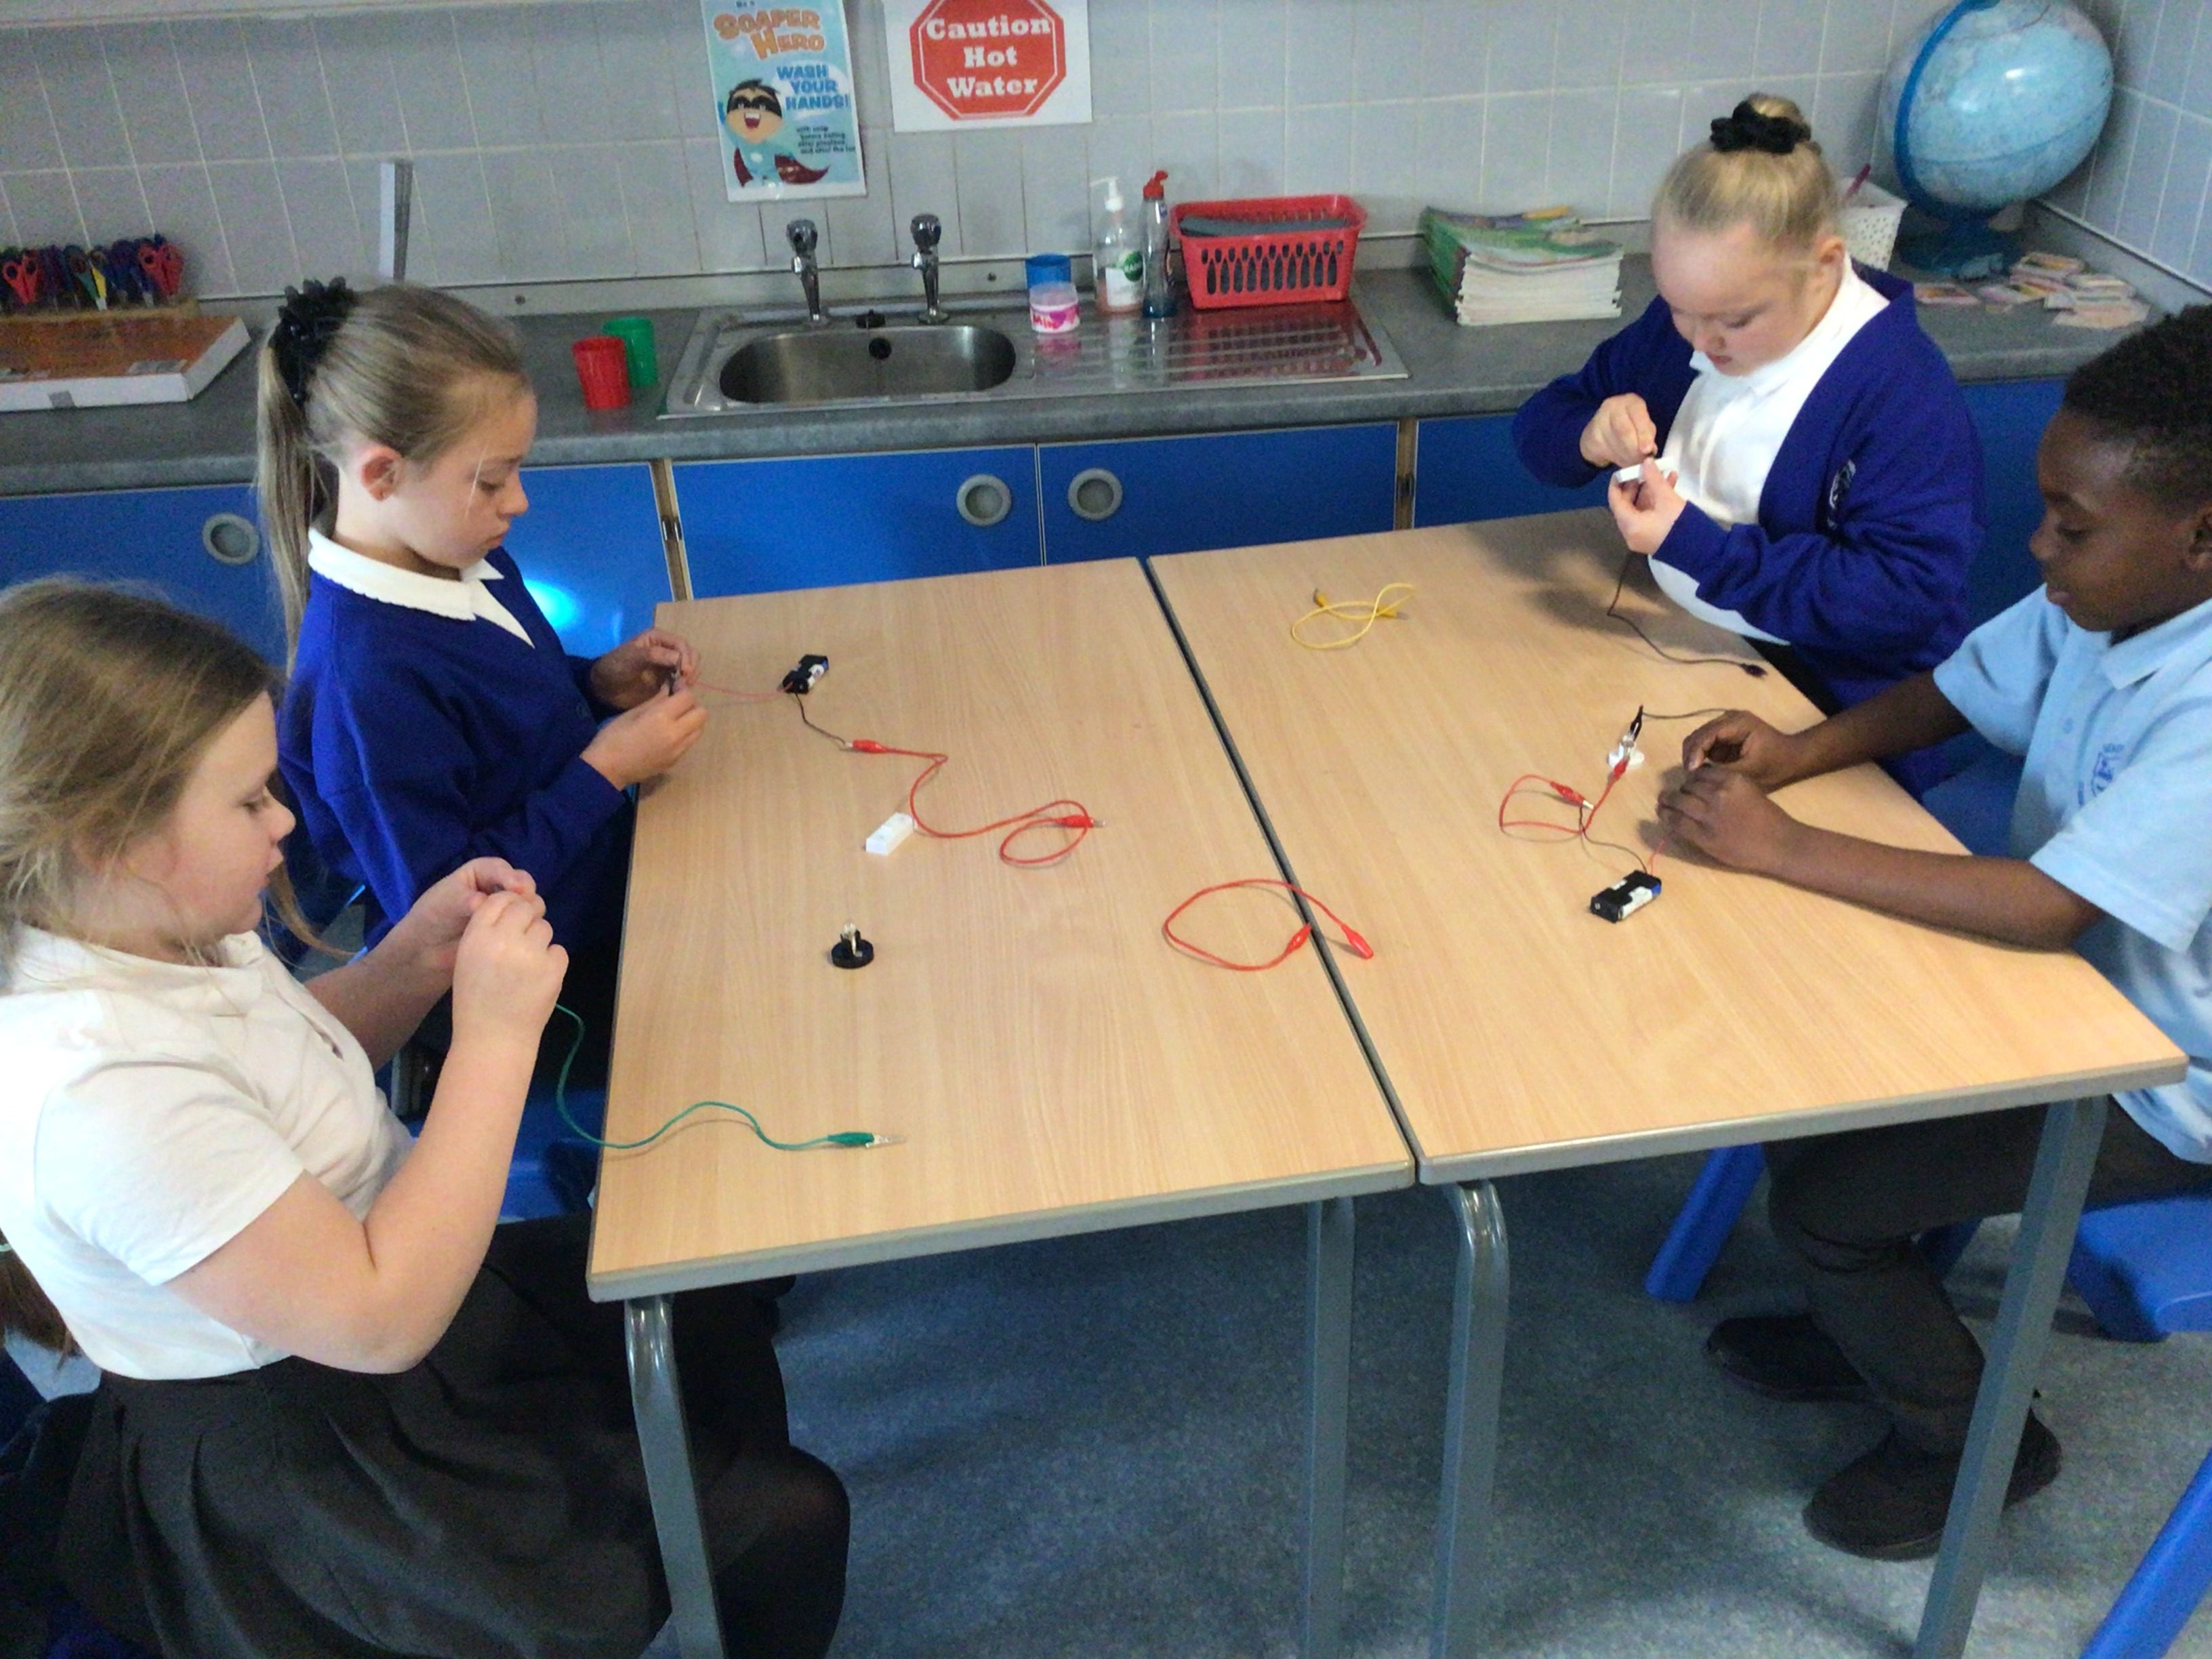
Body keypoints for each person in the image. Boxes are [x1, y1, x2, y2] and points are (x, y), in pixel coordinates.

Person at [0, 580, 846, 1655]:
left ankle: (708, 1502)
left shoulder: (148, 922)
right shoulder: (97, 1094)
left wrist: (412, 960)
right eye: (250, 802)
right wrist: (493, 1036)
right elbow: (381, 1318)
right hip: (327, 1435)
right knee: (786, 1520)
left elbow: (287, 1062)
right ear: (107, 839)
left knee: (700, 1305)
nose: (286, 822)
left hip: (391, 1308)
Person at [1654, 307, 2212, 1559]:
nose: (2039, 545)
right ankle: (1869, 1326)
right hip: (2069, 992)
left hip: (2169, 1082)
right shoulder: (2107, 601)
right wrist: (1798, 752)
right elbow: (1955, 688)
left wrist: (1782, 845)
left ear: (2200, 535)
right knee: (1807, 1076)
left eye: (2071, 525)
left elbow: (2051, 903)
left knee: (1830, 1202)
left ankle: (1972, 1441)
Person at [263, 277, 703, 1079]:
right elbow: (454, 909)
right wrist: (604, 770)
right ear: (382, 474)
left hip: (604, 897)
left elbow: (503, 719)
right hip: (531, 989)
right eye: (493, 480)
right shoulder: (365, 681)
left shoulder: (460, 553)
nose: (519, 502)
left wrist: (596, 685)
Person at [1513, 95, 1982, 794]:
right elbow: (1540, 427)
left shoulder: (1900, 393)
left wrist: (1695, 546)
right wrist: (1588, 434)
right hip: (1693, 647)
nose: (1701, 341)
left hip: (1833, 716)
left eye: (1734, 320)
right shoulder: (1693, 321)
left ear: (1824, 266)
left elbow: (1899, 598)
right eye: (1680, 308)